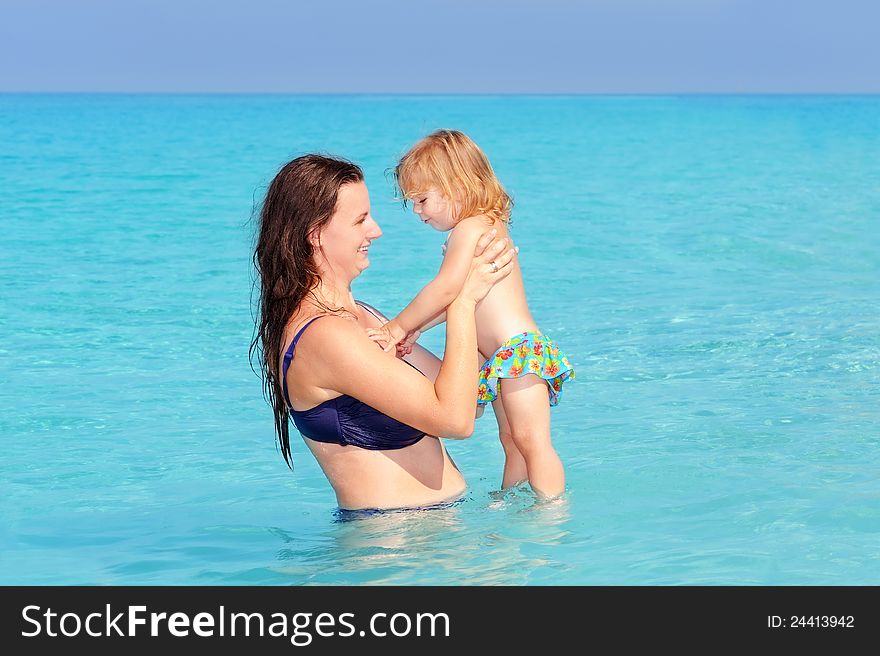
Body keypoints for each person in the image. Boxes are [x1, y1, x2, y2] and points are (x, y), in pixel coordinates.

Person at [251, 154, 517, 511]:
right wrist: (463, 302)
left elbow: (468, 400)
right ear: (315, 235)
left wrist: (496, 317)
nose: (375, 231)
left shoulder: (365, 316)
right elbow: (456, 420)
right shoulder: (324, 335)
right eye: (360, 220)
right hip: (390, 545)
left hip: (435, 533)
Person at [367, 130, 575, 499]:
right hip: (502, 357)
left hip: (519, 352)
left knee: (531, 441)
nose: (417, 211)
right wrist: (418, 329)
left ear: (457, 187)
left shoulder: (472, 227)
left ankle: (551, 511)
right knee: (512, 441)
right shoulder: (482, 226)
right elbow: (463, 299)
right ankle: (512, 499)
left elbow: (446, 288)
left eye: (422, 200)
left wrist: (397, 326)